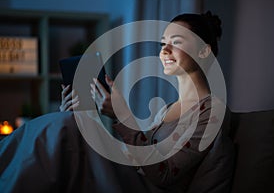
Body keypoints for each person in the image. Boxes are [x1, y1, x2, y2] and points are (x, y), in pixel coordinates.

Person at [60, 11, 235, 192]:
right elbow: (135, 160)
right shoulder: (165, 111)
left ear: (204, 51)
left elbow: (164, 174)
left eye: (176, 42)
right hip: (128, 182)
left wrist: (123, 116)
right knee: (64, 129)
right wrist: (81, 118)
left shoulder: (213, 111)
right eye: (162, 43)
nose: (164, 50)